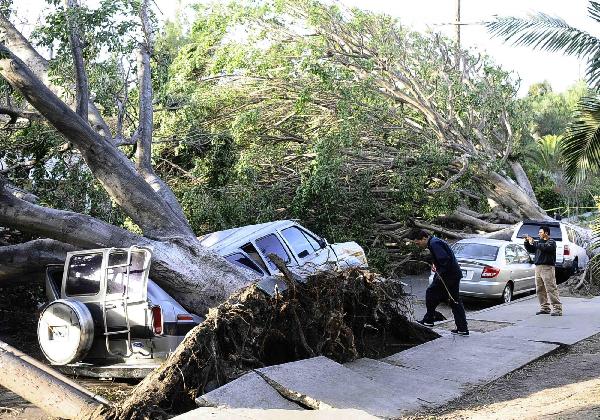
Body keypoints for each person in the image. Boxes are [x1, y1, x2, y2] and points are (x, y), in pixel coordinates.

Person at [408, 229, 469, 336]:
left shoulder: (434, 243)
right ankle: (462, 328)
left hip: (449, 276)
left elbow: (445, 260)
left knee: (432, 294)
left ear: (424, 238)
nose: (418, 245)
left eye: (418, 243)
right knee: (453, 301)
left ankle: (429, 320)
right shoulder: (433, 242)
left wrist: (439, 276)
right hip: (450, 275)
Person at [524, 225, 562, 316]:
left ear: (546, 233)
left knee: (551, 288)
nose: (539, 234)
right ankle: (545, 307)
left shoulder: (551, 242)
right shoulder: (539, 243)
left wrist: (534, 242)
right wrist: (527, 242)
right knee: (539, 289)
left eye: (540, 232)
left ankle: (557, 309)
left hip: (547, 268)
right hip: (538, 267)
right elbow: (532, 250)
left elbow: (546, 248)